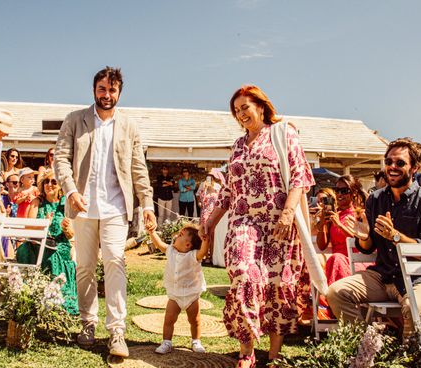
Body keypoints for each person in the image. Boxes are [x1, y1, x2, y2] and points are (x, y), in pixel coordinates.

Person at [201, 85, 315, 367]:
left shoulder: (283, 133)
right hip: (243, 222)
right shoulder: (238, 145)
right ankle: (247, 351)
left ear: (261, 107)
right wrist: (211, 222)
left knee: (279, 286)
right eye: (236, 111)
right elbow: (228, 191)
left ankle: (274, 355)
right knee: (243, 275)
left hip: (279, 224)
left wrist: (288, 213)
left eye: (245, 108)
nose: (240, 115)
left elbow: (300, 176)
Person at [54, 66, 156, 358]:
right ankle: (88, 323)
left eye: (112, 90)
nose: (107, 94)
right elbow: (61, 158)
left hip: (115, 207)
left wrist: (146, 204)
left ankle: (117, 331)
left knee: (115, 261)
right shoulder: (75, 120)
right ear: (94, 90)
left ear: (119, 93)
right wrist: (71, 191)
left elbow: (138, 169)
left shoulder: (129, 126)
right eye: (102, 89)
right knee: (85, 267)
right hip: (82, 206)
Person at [326, 138, 421, 340]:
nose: (392, 167)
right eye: (388, 161)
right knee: (336, 293)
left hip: (418, 277)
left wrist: (396, 237)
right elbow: (367, 247)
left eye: (400, 163)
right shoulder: (376, 199)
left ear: (415, 167)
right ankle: (365, 351)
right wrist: (364, 237)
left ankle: (413, 359)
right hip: (383, 276)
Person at [16, 170, 78, 314]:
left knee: (52, 255)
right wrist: (44, 223)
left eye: (54, 182)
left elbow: (71, 235)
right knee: (24, 250)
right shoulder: (38, 202)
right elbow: (28, 226)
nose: (49, 185)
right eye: (46, 182)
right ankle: (30, 294)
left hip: (59, 244)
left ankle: (55, 297)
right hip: (37, 242)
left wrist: (67, 228)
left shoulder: (66, 204)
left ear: (60, 186)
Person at [147, 224, 209, 355]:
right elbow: (159, 244)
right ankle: (166, 342)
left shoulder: (193, 255)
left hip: (191, 295)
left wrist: (205, 241)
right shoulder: (171, 250)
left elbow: (203, 252)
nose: (176, 235)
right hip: (175, 295)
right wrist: (152, 233)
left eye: (181, 235)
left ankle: (196, 341)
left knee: (195, 320)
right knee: (169, 319)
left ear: (188, 245)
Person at [316, 175, 367, 285]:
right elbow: (321, 246)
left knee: (336, 259)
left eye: (344, 191)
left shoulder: (360, 215)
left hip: (356, 262)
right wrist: (323, 223)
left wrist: (340, 225)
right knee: (331, 260)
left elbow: (361, 241)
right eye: (337, 190)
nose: (339, 194)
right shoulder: (334, 215)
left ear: (353, 193)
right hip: (336, 263)